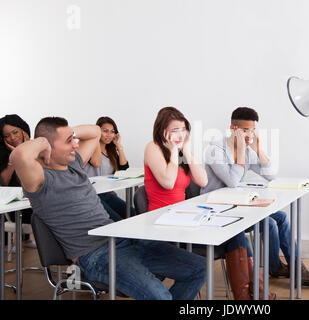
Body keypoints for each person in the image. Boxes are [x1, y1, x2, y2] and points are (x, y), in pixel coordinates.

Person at [10, 116, 206, 300]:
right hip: (95, 256)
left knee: (198, 268)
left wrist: (66, 133)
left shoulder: (75, 164)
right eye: (69, 140)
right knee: (160, 295)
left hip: (122, 240)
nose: (75, 144)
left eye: (74, 138)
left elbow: (95, 132)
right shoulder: (40, 180)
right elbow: (19, 154)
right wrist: (44, 142)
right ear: (49, 146)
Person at [144, 106, 275, 299]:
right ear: (162, 131)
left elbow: (202, 180)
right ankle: (253, 295)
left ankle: (251, 296)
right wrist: (173, 152)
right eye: (174, 130)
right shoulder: (153, 147)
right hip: (162, 223)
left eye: (183, 129)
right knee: (237, 234)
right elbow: (168, 181)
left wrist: (187, 151)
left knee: (237, 232)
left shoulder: (181, 152)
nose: (180, 134)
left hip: (182, 218)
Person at [201, 107, 309, 287]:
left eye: (252, 130)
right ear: (233, 128)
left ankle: (295, 269)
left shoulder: (246, 149)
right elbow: (232, 180)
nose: (249, 134)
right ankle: (276, 267)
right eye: (245, 130)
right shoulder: (215, 150)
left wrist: (259, 150)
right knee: (268, 223)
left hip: (238, 204)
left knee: (281, 217)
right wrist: (240, 152)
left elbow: (271, 175)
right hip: (218, 208)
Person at [83, 116, 135, 221]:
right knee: (117, 220)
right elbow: (96, 163)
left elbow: (123, 170)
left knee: (133, 214)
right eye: (105, 131)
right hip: (94, 195)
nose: (109, 135)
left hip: (108, 194)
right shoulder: (90, 148)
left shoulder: (111, 151)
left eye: (112, 132)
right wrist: (95, 138)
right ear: (98, 132)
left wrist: (118, 146)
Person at [0, 114, 35, 248]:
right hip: (12, 206)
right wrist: (14, 156)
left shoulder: (34, 148)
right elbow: (3, 183)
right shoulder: (3, 153)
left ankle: (25, 240)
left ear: (23, 130)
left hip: (32, 201)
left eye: (15, 132)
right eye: (7, 136)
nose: (12, 138)